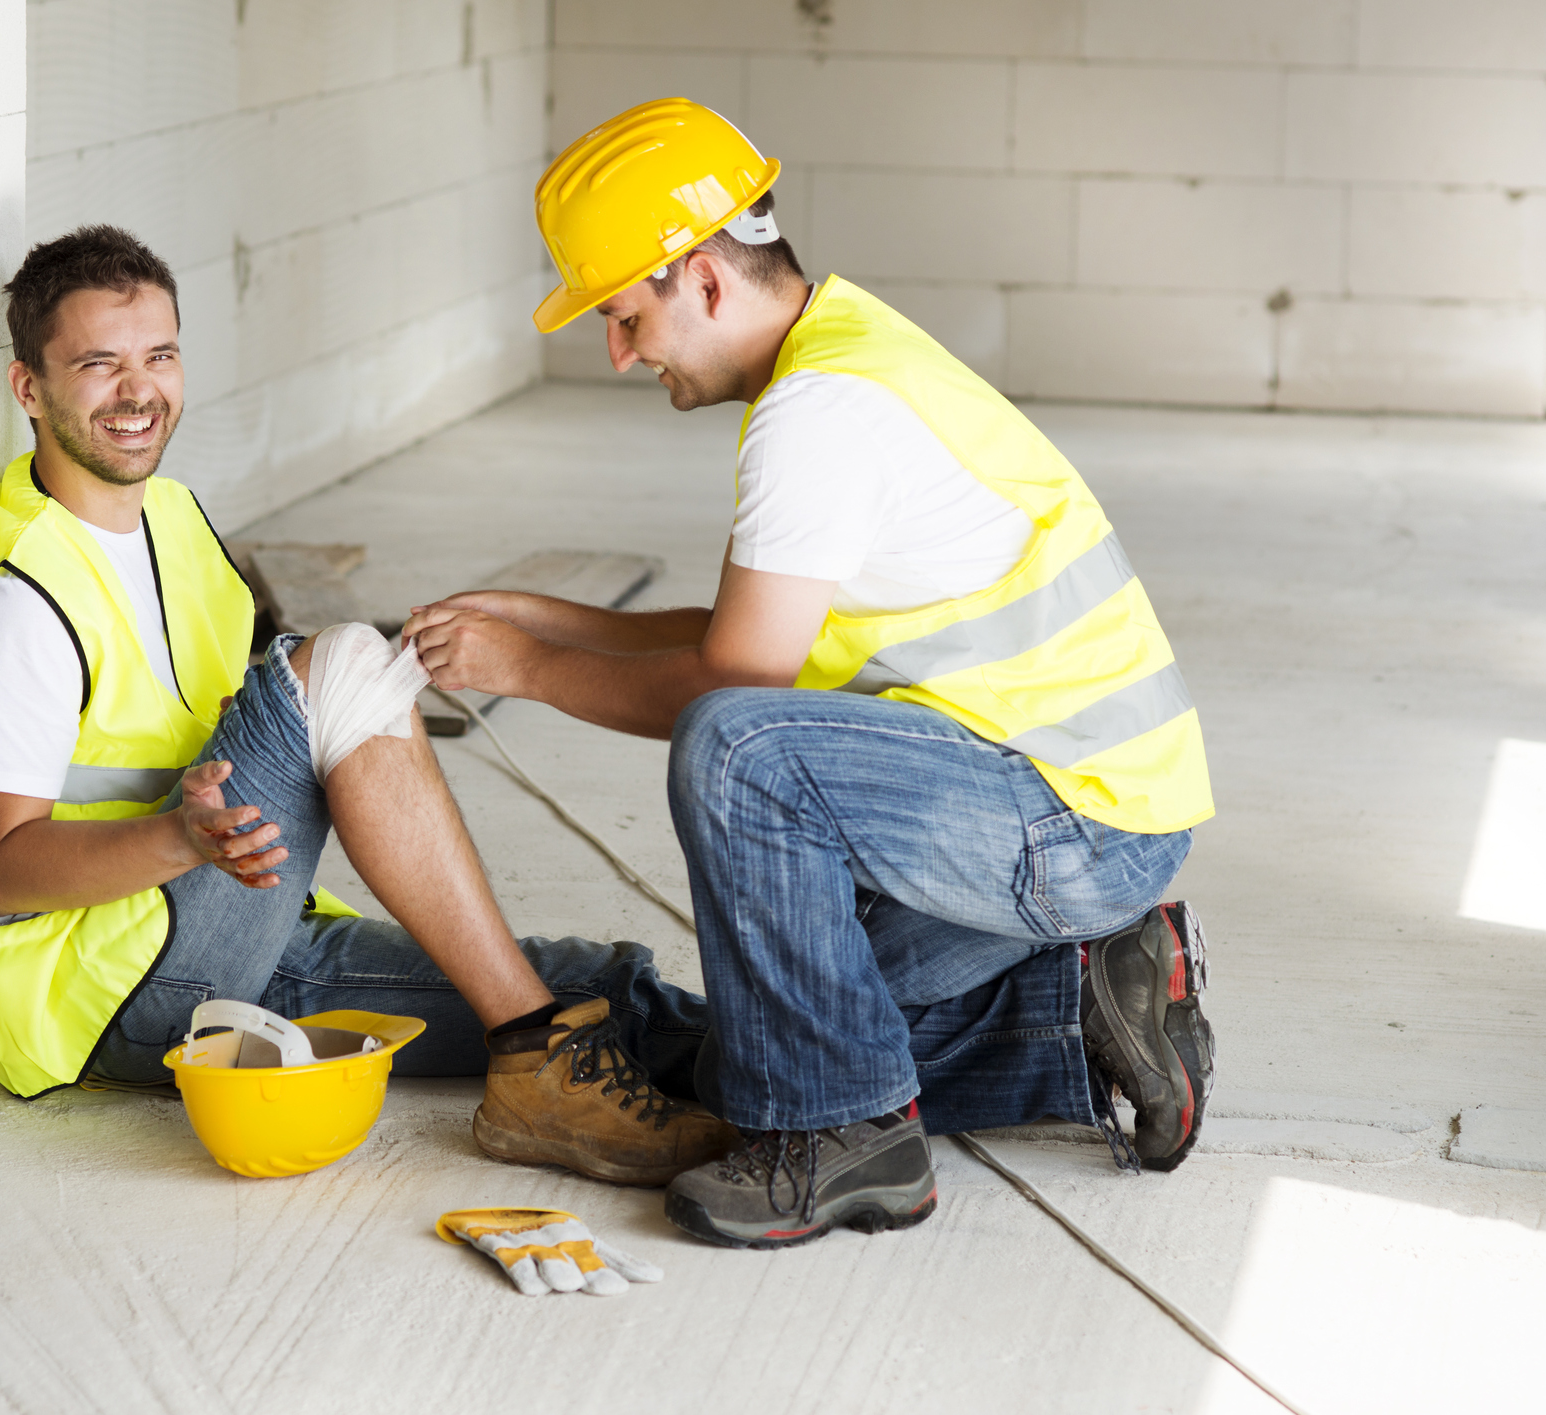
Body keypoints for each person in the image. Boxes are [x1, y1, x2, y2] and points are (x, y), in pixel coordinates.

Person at [405, 100, 1219, 1249]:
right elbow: (760, 636)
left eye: (626, 315)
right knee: (757, 1047)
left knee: (735, 752)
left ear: (697, 276)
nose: (620, 350)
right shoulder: (843, 353)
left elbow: (734, 689)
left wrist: (529, 667)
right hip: (1063, 809)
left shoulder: (817, 412)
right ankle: (1076, 1008)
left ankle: (844, 1137)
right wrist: (548, 617)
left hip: (1067, 822)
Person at [0, 224, 734, 1188]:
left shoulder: (176, 521)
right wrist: (182, 841)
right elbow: (2, 870)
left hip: (236, 935)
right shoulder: (15, 594)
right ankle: (539, 1061)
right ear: (29, 388)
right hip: (111, 992)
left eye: (160, 356)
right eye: (98, 365)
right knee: (343, 659)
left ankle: (846, 1076)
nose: (138, 391)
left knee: (598, 991)